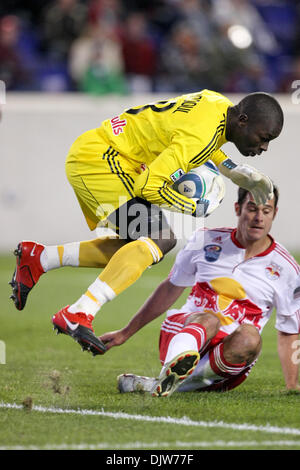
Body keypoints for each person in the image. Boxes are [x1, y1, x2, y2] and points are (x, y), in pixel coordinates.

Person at [10, 89, 284, 357]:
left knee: (137, 245)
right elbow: (149, 185)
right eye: (264, 137)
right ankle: (79, 312)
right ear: (243, 121)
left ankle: (41, 258)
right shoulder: (200, 136)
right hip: (102, 162)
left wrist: (234, 172)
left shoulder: (217, 103)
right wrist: (192, 206)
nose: (264, 147)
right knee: (159, 240)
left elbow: (200, 141)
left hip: (104, 154)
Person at [111, 187, 300, 396]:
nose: (258, 218)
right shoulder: (206, 240)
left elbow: (289, 329)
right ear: (238, 209)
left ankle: (164, 384)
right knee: (209, 320)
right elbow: (170, 288)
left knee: (250, 337)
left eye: (266, 211)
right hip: (187, 332)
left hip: (228, 360)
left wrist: (292, 384)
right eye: (252, 209)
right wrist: (125, 333)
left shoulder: (287, 268)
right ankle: (172, 373)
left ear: (275, 213)